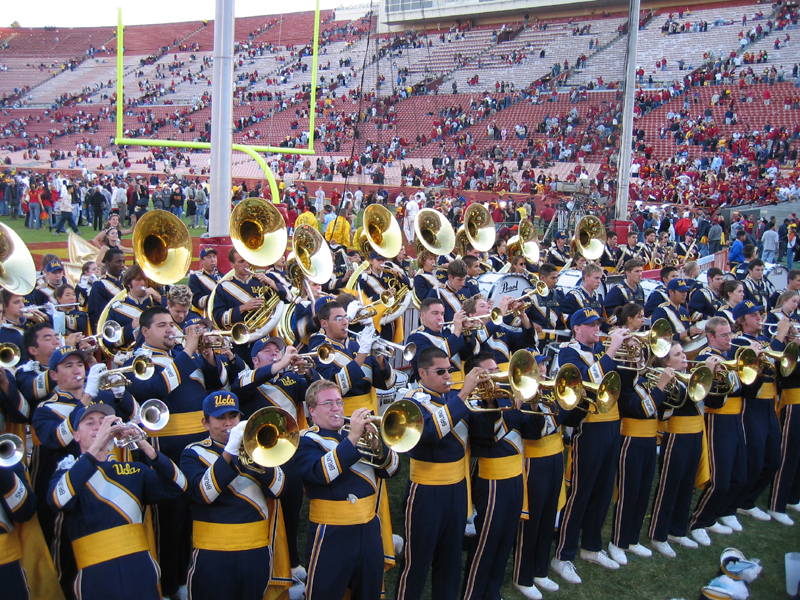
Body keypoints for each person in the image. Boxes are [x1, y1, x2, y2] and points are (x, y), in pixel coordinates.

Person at [48, 403, 187, 600]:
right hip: (95, 574)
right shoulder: (67, 473)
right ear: (76, 435)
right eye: (90, 423)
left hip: (140, 569)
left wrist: (143, 444)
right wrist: (95, 448)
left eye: (105, 422)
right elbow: (58, 501)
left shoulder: (134, 470)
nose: (99, 427)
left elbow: (179, 486)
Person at [394, 347, 485, 600]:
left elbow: (482, 436)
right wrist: (465, 393)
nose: (448, 376)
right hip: (427, 491)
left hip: (457, 489)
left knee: (451, 559)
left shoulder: (455, 396)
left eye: (450, 370)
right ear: (422, 373)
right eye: (441, 371)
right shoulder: (411, 399)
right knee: (417, 562)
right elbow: (431, 433)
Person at [181, 391, 291, 600]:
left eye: (233, 416)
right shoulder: (192, 453)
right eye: (220, 418)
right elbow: (203, 494)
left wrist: (256, 455)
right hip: (213, 552)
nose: (228, 423)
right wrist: (229, 453)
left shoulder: (260, 450)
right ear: (206, 423)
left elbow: (279, 489)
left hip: (255, 550)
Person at [297, 380, 400, 600]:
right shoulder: (305, 440)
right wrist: (353, 437)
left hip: (370, 529)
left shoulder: (359, 435)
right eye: (328, 403)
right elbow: (321, 473)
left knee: (369, 593)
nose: (336, 408)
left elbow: (392, 470)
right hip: (331, 531)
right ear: (312, 411)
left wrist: (378, 442)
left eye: (339, 402)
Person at [550, 308, 627, 584]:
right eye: (591, 325)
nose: (597, 329)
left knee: (604, 490)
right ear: (576, 328)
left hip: (611, 424)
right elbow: (585, 379)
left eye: (599, 324)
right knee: (581, 492)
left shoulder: (599, 351)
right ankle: (563, 555)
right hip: (588, 428)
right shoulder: (568, 352)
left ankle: (592, 547)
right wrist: (613, 350)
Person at [232, 337, 318, 582]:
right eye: (267, 351)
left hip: (287, 450)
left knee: (292, 509)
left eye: (276, 351)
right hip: (255, 454)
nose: (274, 354)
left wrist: (308, 370)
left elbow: (314, 394)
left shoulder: (290, 379)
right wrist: (280, 364)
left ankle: (291, 560)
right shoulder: (246, 377)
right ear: (255, 359)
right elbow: (242, 389)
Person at [462, 352, 525, 600]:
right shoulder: (475, 404)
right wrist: (512, 406)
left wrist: (529, 402)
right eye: (490, 372)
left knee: (506, 538)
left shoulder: (508, 397)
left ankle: (492, 591)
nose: (499, 375)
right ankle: (473, 594)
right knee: (487, 542)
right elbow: (486, 435)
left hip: (515, 475)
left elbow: (531, 429)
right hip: (492, 479)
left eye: (497, 369)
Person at [649, 342, 717, 556]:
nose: (685, 358)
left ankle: (677, 530)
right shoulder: (669, 379)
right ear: (667, 361)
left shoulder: (689, 376)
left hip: (696, 433)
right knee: (670, 485)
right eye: (678, 355)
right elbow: (684, 401)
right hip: (676, 434)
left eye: (683, 354)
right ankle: (658, 534)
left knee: (687, 484)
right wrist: (706, 374)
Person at [688, 317, 752, 545]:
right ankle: (698, 522)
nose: (729, 339)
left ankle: (718, 513)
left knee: (740, 475)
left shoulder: (732, 354)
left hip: (736, 418)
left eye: (730, 334)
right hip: (717, 420)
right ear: (711, 337)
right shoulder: (706, 358)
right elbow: (713, 399)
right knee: (720, 478)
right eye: (724, 335)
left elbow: (746, 389)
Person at [512, 353, 566, 599]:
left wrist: (572, 401)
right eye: (538, 366)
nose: (543, 369)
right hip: (533, 461)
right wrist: (533, 405)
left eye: (544, 364)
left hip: (555, 457)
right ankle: (523, 576)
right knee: (532, 519)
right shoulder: (521, 396)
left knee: (548, 515)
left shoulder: (550, 392)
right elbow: (531, 433)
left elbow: (569, 420)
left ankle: (540, 570)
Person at [308, 301, 395, 415]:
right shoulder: (320, 352)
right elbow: (336, 387)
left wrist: (379, 356)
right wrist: (362, 353)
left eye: (345, 317)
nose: (345, 322)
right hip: (341, 415)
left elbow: (386, 384)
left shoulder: (359, 343)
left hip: (369, 413)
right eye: (338, 319)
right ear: (324, 323)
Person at [526, 262, 567, 351]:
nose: (556, 281)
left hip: (552, 343)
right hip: (534, 343)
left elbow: (560, 322)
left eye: (556, 278)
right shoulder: (529, 294)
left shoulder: (558, 295)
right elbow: (519, 317)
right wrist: (531, 324)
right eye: (553, 278)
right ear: (542, 278)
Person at [652, 278, 702, 342]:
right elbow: (660, 337)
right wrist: (685, 334)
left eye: (686, 291)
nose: (684, 294)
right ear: (671, 292)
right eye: (681, 291)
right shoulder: (661, 310)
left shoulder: (684, 311)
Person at [87, 248, 125, 330]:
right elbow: (99, 312)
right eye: (118, 262)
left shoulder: (128, 281)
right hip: (112, 327)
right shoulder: (99, 285)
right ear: (108, 263)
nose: (122, 265)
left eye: (123, 262)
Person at [604, 259, 646, 324]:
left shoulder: (639, 288)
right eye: (637, 271)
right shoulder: (618, 289)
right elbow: (607, 310)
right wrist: (617, 324)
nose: (640, 274)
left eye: (641, 271)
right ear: (627, 273)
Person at [189, 248, 222, 314]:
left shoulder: (223, 277)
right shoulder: (196, 277)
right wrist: (217, 298)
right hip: (204, 315)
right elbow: (195, 300)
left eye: (214, 257)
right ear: (202, 261)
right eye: (209, 257)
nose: (213, 260)